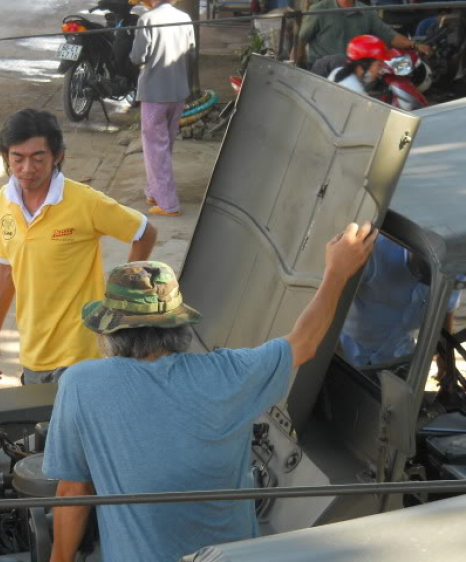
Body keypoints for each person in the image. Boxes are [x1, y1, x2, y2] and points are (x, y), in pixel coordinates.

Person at [43, 222, 377, 562]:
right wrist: (337, 272)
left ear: (110, 331)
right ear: (180, 324)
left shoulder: (81, 383)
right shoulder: (229, 373)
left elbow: (73, 491)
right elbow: (304, 343)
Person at [0, 109, 158, 385]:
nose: (28, 169)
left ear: (57, 156)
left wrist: (124, 293)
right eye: (18, 158)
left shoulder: (85, 202)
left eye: (38, 158)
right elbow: (6, 271)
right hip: (33, 352)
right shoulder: (5, 200)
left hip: (81, 354)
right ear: (6, 157)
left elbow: (144, 232)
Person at [339, 235, 460, 370]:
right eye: (425, 269)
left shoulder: (454, 271)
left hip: (399, 360)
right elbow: (333, 297)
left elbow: (445, 310)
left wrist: (446, 359)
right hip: (346, 355)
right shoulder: (374, 250)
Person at [130, 0, 196, 217]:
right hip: (178, 92)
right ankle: (154, 191)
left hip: (154, 94)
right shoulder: (184, 17)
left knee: (154, 148)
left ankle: (168, 203)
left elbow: (137, 57)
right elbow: (191, 52)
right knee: (164, 145)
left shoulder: (146, 19)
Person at [299, 0, 433, 68]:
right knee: (339, 59)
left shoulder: (366, 11)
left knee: (405, 64)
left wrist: (414, 45)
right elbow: (300, 40)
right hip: (325, 72)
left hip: (358, 69)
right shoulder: (319, 10)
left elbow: (389, 35)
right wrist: (299, 69)